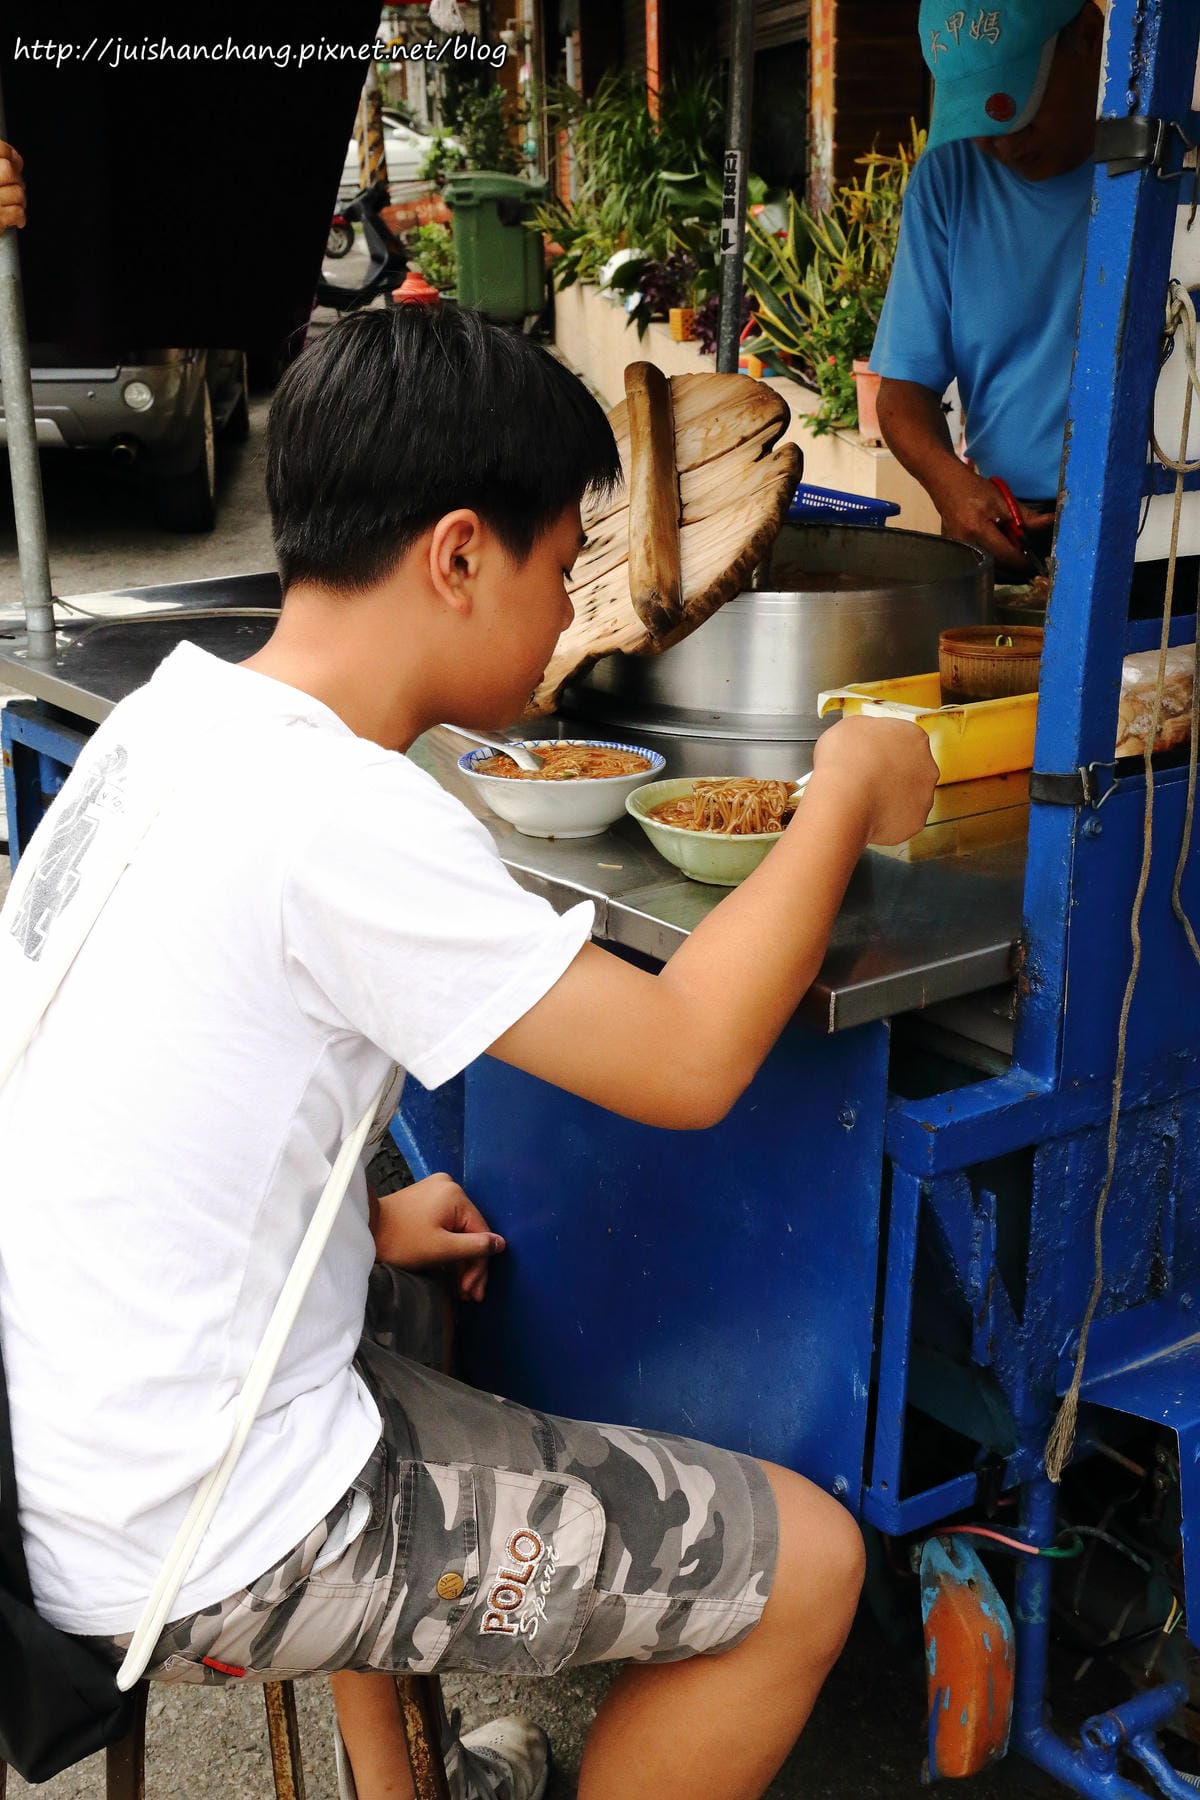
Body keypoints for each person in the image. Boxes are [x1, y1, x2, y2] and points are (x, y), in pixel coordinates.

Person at [0, 299, 938, 1800]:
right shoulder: (349, 816)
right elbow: (691, 1060)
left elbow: (113, 1106)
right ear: (455, 555)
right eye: (563, 569)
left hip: (60, 1454)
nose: (575, 613)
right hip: (206, 1521)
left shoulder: (173, 725)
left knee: (411, 1313)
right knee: (809, 1567)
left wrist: (361, 1226)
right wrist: (840, 790)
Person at [872, 0, 1105, 572]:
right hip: (1016, 530)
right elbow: (902, 395)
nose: (1002, 143)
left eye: (1019, 108)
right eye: (978, 123)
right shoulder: (949, 177)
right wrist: (950, 485)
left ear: (1086, 35)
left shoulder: (1168, 170)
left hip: (1167, 523)